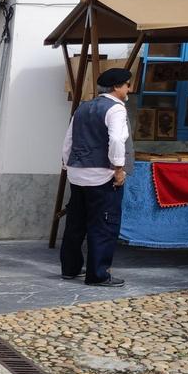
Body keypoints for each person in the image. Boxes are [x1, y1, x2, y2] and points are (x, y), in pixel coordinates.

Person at [60, 67, 131, 286]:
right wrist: (118, 168)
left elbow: (68, 141)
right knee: (103, 225)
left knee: (76, 223)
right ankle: (98, 274)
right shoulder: (116, 109)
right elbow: (117, 140)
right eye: (127, 84)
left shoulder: (82, 108)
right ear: (116, 87)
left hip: (77, 172)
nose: (129, 88)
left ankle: (70, 268)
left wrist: (67, 164)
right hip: (101, 174)